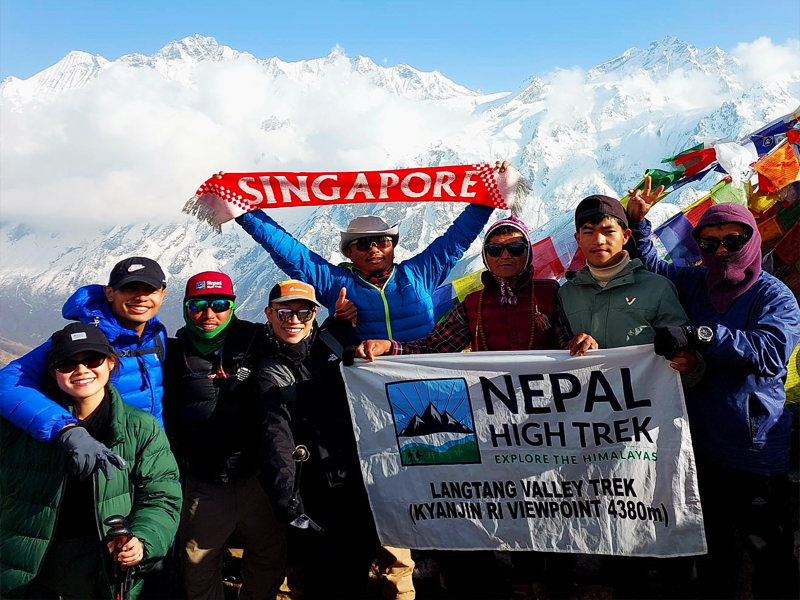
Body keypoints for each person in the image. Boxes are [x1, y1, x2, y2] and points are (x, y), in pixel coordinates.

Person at [358, 214, 572, 599]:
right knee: (505, 496)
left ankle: (552, 579)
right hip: (494, 421)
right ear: (486, 256)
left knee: (549, 498)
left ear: (528, 253)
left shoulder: (552, 295)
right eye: (495, 249)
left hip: (546, 418)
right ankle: (516, 579)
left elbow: (571, 347)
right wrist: (392, 348)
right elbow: (432, 349)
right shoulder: (472, 304)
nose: (505, 256)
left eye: (515, 248)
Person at [627, 181, 800, 600]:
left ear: (751, 241)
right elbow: (655, 271)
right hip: (701, 450)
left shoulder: (773, 295)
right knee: (713, 558)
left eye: (732, 240)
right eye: (709, 242)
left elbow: (771, 352)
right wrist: (638, 226)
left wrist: (703, 334)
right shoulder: (695, 283)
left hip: (755, 452)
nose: (721, 251)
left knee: (771, 559)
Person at [558, 194, 702, 598]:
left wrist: (688, 363)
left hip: (652, 433)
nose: (598, 240)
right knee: (615, 524)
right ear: (577, 238)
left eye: (607, 231)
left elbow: (684, 354)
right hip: (596, 434)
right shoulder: (567, 294)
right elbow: (558, 356)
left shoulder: (657, 288)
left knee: (667, 522)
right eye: (589, 232)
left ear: (625, 236)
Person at [0, 322, 181, 599]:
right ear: (53, 372)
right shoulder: (20, 425)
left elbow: (161, 497)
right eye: (67, 363)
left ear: (111, 363)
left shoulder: (140, 427)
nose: (81, 370)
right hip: (24, 570)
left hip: (102, 573)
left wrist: (143, 540)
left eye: (92, 359)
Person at [163, 271, 286, 600]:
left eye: (218, 304)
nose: (208, 314)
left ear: (232, 305)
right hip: (203, 479)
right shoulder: (171, 353)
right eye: (198, 305)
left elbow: (299, 342)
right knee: (196, 565)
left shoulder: (258, 339)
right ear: (186, 308)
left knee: (268, 557)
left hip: (256, 477)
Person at [255, 280, 378, 600]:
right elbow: (275, 435)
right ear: (269, 314)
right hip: (312, 494)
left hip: (359, 484)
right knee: (321, 579)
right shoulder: (269, 371)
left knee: (356, 574)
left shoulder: (336, 340)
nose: (294, 320)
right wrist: (285, 496)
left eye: (304, 312)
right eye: (284, 313)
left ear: (315, 314)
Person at [0, 257, 168, 480]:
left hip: (151, 457)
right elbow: (7, 382)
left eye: (150, 289)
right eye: (130, 288)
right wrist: (65, 428)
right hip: (98, 458)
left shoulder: (155, 336)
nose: (141, 297)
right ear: (110, 293)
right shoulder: (84, 341)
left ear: (162, 294)